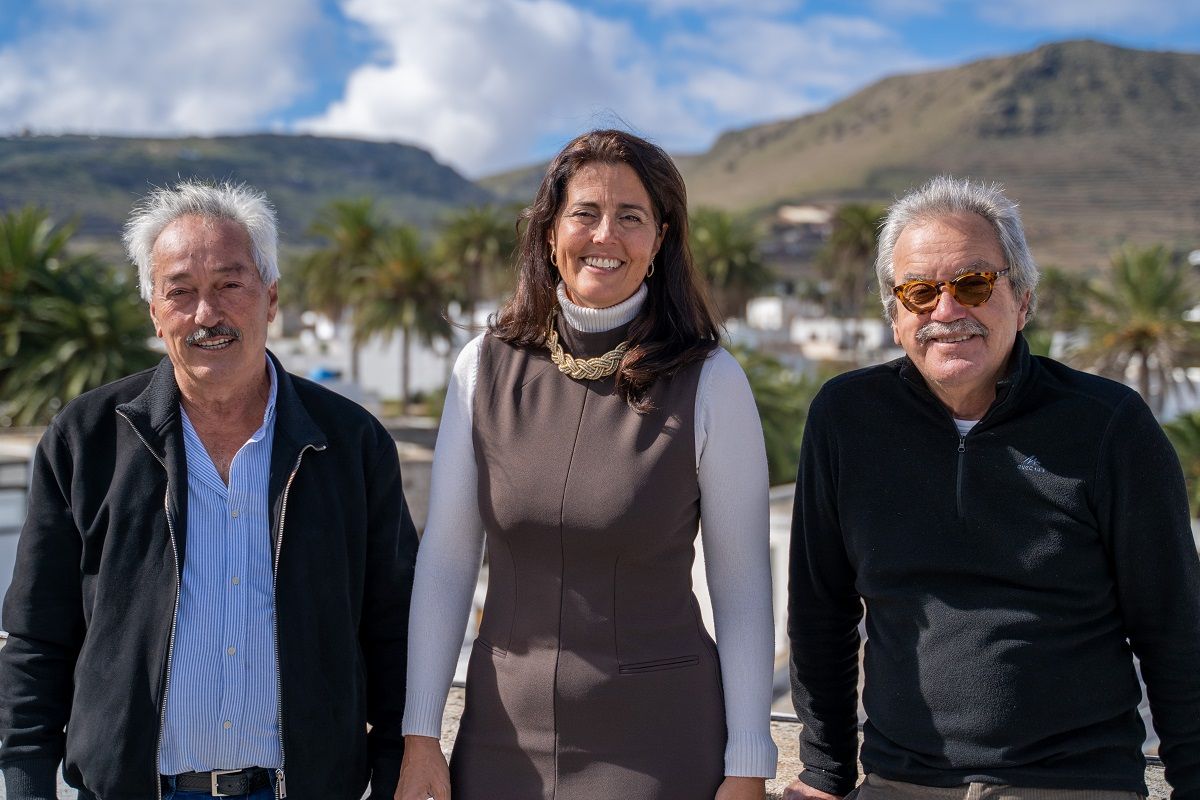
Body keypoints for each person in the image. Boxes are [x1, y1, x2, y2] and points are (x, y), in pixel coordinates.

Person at [0, 180, 419, 800]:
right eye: (181, 292)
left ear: (270, 297)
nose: (207, 314)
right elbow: (37, 638)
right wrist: (25, 785)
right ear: (153, 310)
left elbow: (394, 631)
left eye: (230, 284)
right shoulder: (85, 440)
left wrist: (391, 774)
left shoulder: (350, 445)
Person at [785, 176, 1200, 800]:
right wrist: (824, 772)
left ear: (1023, 299)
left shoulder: (1109, 425)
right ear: (895, 316)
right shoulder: (846, 418)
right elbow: (821, 609)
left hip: (1075, 784)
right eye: (920, 291)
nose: (947, 311)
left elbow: (1174, 625)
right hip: (902, 783)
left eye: (974, 284)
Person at [396, 129, 778, 800]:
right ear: (550, 232)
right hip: (500, 742)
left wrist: (748, 761)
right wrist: (420, 733)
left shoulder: (711, 381)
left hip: (660, 745)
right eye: (586, 213)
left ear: (660, 240)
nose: (606, 234)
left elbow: (742, 588)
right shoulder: (480, 367)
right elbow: (449, 561)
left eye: (631, 217)